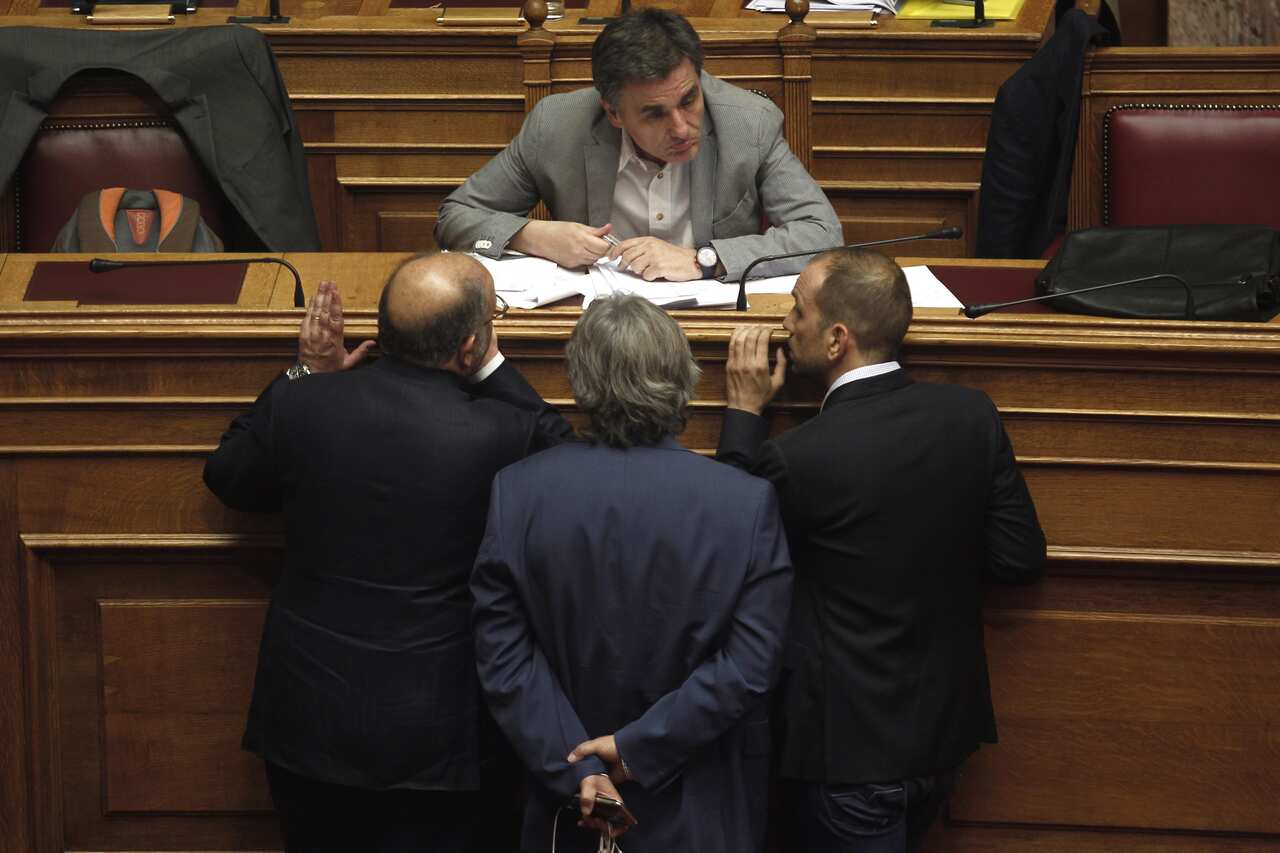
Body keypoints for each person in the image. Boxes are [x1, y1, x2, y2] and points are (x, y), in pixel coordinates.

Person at [203, 253, 572, 853]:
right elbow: (565, 456)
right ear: (470, 346)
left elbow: (229, 475)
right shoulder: (503, 432)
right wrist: (490, 364)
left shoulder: (304, 403)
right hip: (438, 736)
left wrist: (305, 370)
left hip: (309, 721)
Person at [717, 248, 1046, 852]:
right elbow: (1018, 560)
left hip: (848, 757)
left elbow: (723, 559)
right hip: (942, 743)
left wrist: (742, 415)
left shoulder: (800, 457)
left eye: (797, 310)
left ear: (837, 339)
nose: (786, 323)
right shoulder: (972, 415)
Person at [471, 294, 793, 853]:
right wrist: (636, 748)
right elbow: (749, 664)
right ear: (682, 380)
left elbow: (504, 655)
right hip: (696, 801)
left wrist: (579, 764)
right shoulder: (746, 503)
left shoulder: (518, 492)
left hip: (569, 797)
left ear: (580, 383)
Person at [435, 9, 841, 283]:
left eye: (689, 100)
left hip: (709, 320)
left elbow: (823, 235)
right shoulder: (557, 126)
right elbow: (455, 217)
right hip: (596, 324)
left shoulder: (749, 123)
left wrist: (704, 260)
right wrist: (531, 235)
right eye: (654, 114)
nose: (681, 128)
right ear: (614, 112)